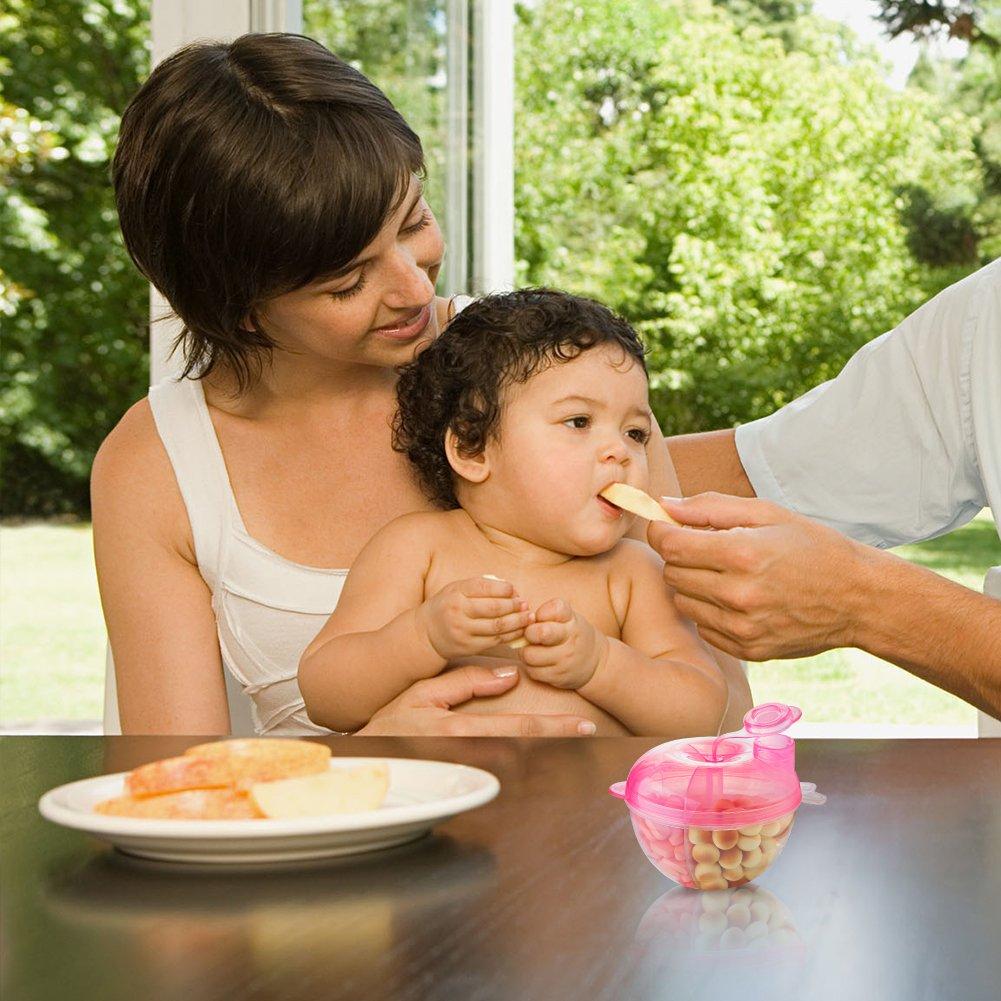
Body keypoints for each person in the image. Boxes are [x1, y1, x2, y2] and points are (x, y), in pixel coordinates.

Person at [93, 33, 750, 735]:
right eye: (348, 281)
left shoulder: (551, 373)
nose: (413, 287)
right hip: (337, 810)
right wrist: (378, 756)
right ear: (240, 310)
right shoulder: (158, 463)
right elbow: (177, 779)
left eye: (414, 222)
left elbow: (725, 715)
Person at [299, 289, 735, 736]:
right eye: (579, 422)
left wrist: (602, 664)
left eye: (635, 433)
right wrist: (423, 636)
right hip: (446, 783)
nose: (619, 452)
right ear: (473, 448)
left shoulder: (634, 574)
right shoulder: (417, 548)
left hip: (593, 786)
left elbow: (701, 714)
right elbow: (326, 695)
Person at [656, 258, 1001, 719]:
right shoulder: (986, 314)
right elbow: (764, 472)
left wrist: (863, 598)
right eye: (578, 422)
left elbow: (710, 709)